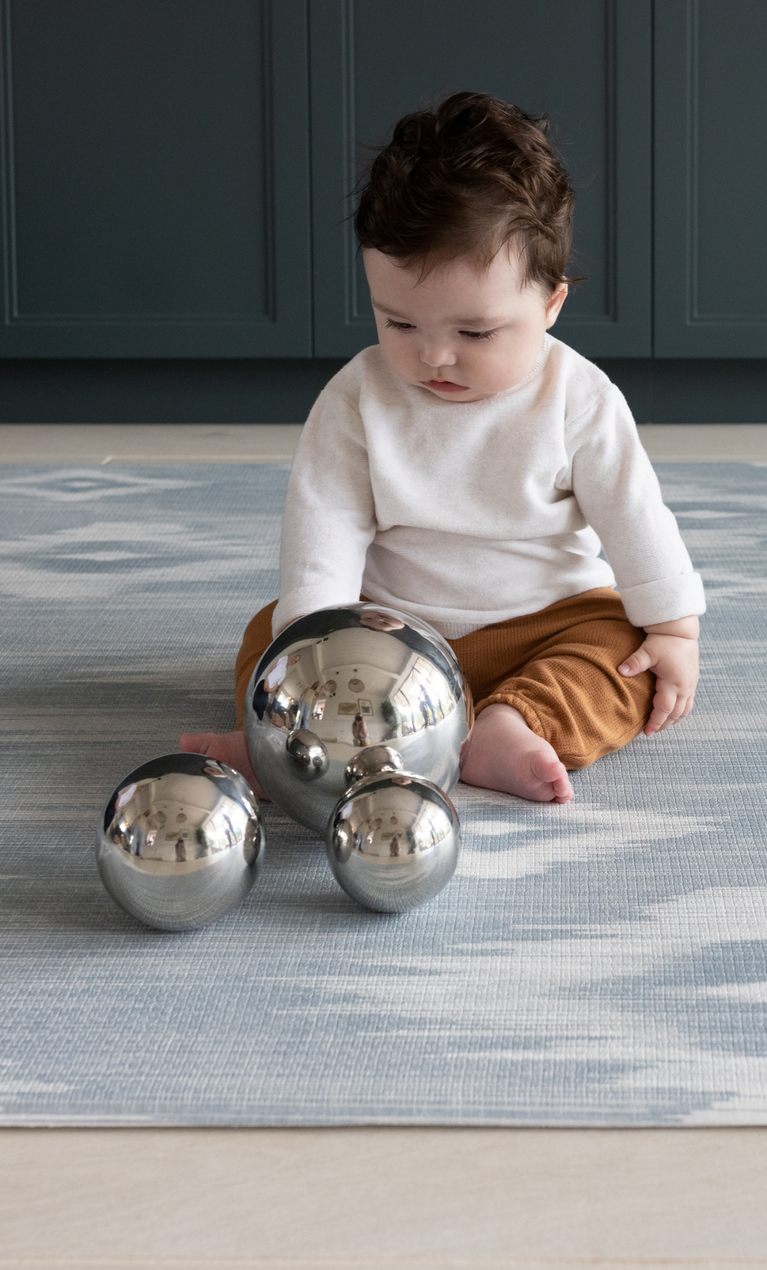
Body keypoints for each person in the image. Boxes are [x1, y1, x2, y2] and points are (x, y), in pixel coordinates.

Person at [182, 92, 703, 805]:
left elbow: (636, 518)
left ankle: (513, 724)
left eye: (475, 333)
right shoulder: (357, 397)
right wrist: (313, 649)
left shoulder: (579, 398)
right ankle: (293, 741)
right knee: (270, 634)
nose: (434, 357)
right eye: (398, 322)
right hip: (386, 633)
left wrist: (673, 629)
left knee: (621, 651)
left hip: (542, 624)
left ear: (551, 303)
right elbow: (323, 523)